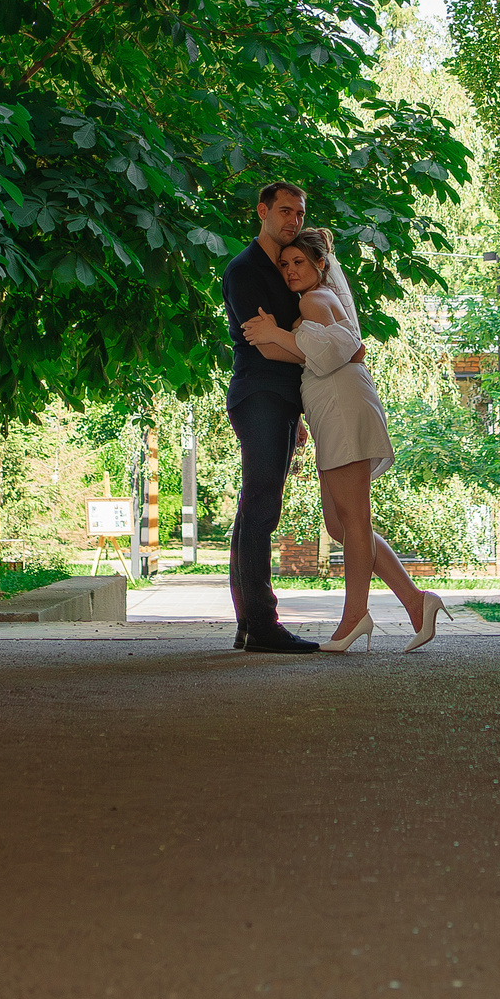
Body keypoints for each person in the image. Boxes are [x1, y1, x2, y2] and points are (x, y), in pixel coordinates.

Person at [240, 228, 448, 653]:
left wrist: (276, 333)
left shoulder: (313, 300)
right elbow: (312, 352)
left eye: (300, 262)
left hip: (342, 404)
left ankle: (355, 617)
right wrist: (274, 339)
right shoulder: (314, 303)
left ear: (321, 265)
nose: (291, 269)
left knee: (354, 519)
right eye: (285, 263)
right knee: (340, 523)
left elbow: (347, 348)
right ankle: (416, 601)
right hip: (329, 407)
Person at [220, 181, 324, 652]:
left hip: (277, 399)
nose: (293, 222)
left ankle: (250, 622)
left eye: (300, 214)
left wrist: (294, 411)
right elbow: (262, 344)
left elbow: (280, 337)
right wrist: (317, 353)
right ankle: (262, 623)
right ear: (262, 211)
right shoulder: (245, 270)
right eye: (284, 211)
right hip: (257, 394)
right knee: (260, 509)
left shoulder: (285, 267)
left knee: (257, 509)